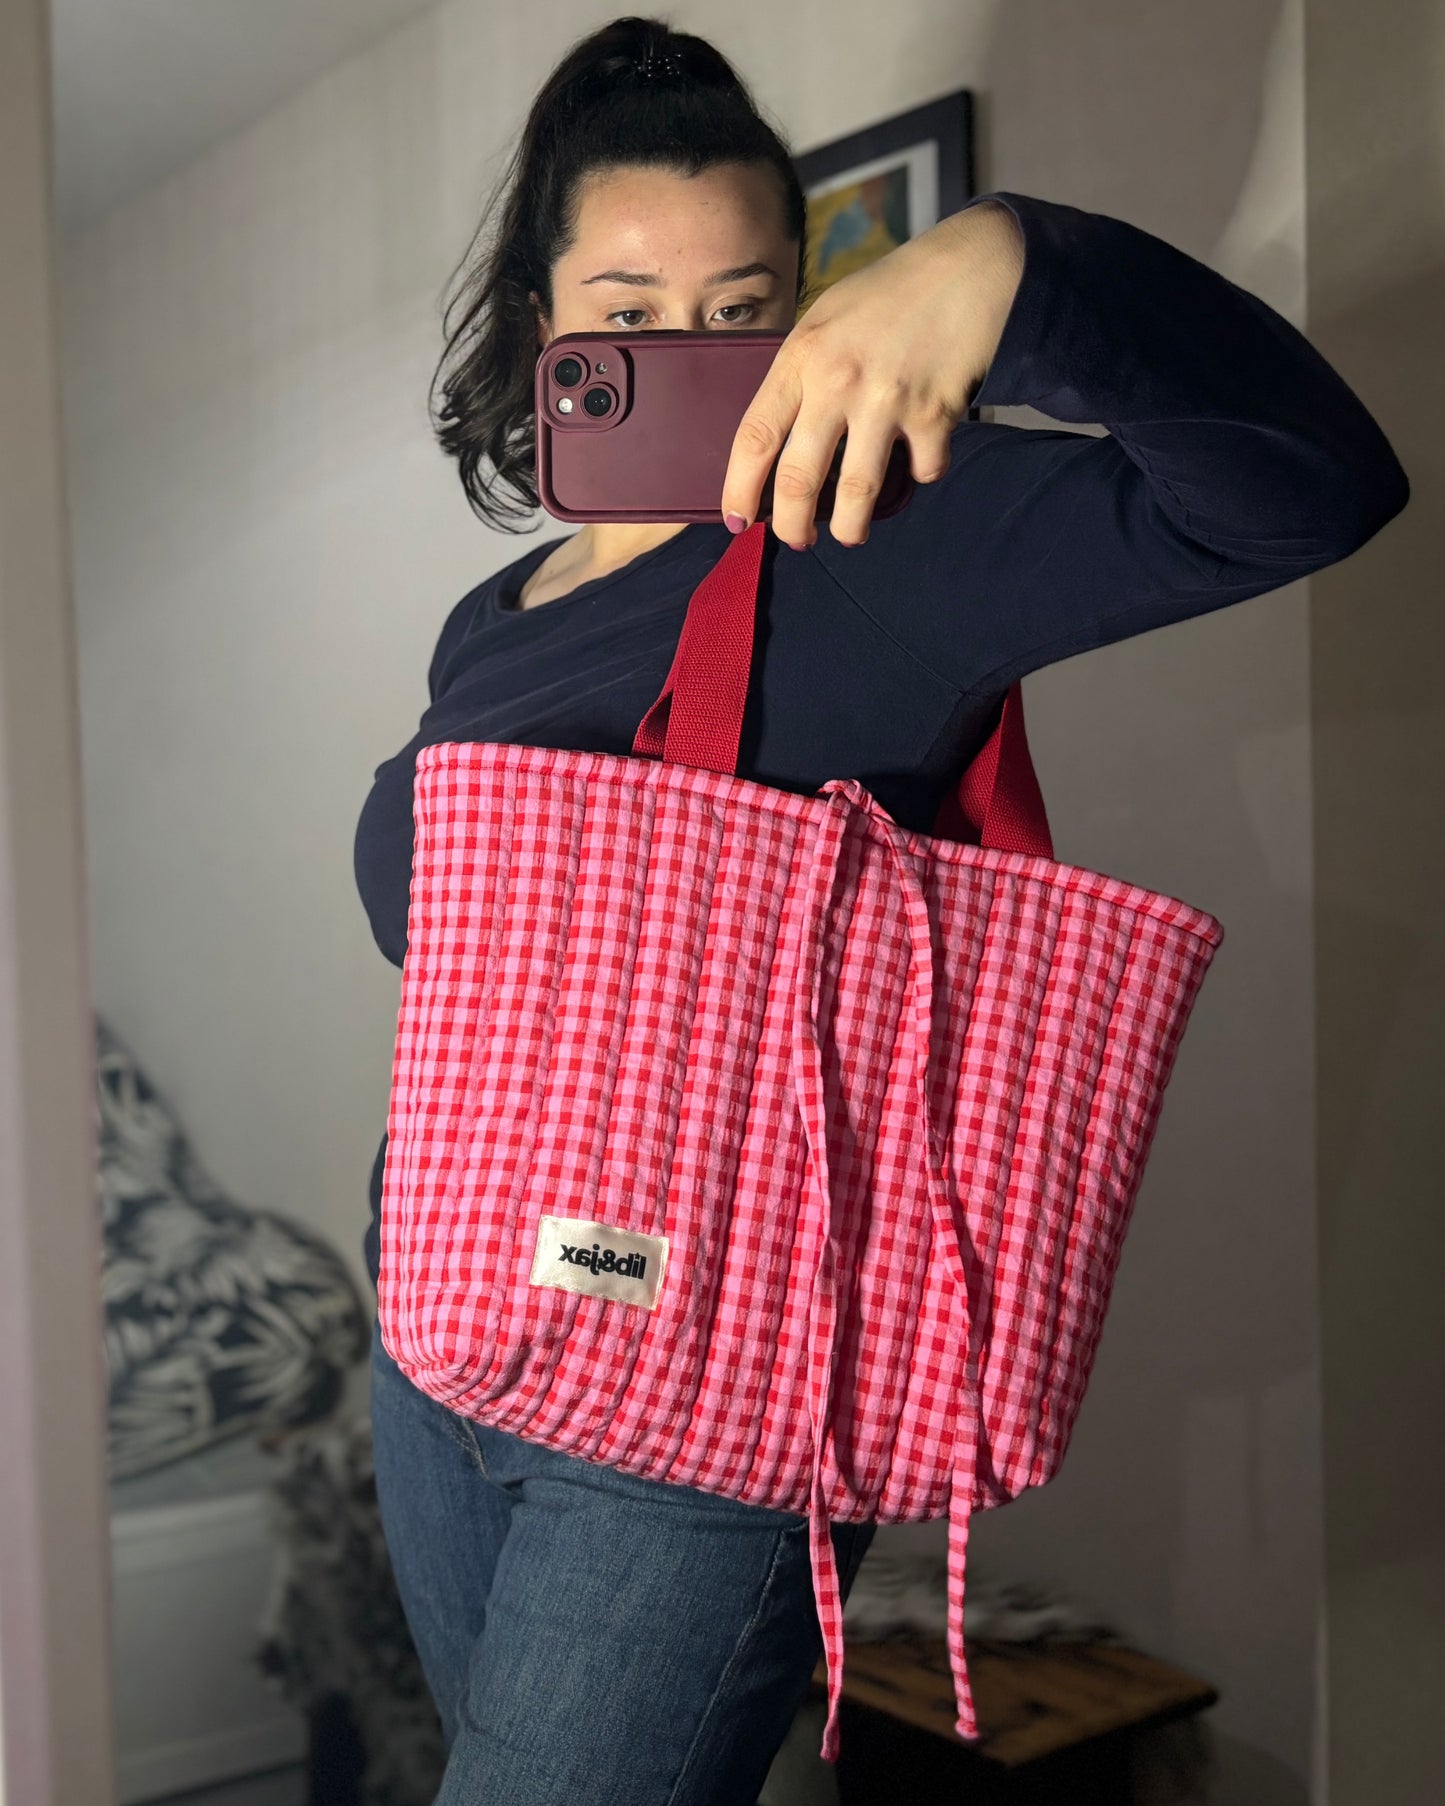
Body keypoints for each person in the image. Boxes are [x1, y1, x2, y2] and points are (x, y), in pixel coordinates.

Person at [354, 16, 1407, 1804]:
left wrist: (1013, 265)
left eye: (737, 309)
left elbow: (1307, 492)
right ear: (541, 331)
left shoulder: (872, 533)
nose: (682, 354)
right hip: (439, 1324)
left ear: (803, 312)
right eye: (624, 306)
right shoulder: (495, 619)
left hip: (700, 1397)